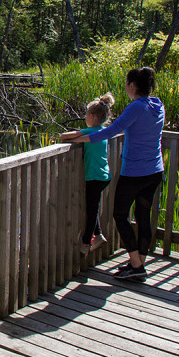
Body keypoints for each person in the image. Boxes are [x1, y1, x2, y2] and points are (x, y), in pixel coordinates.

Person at [70, 67, 165, 282]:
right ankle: (138, 263)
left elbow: (111, 131)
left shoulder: (135, 107)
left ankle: (135, 264)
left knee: (120, 215)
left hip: (134, 173)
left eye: (126, 84)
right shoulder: (158, 106)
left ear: (133, 86)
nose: (125, 88)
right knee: (143, 216)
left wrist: (79, 137)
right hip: (154, 171)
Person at [60, 93, 115, 255]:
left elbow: (64, 137)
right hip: (104, 176)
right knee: (93, 206)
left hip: (94, 177)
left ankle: (86, 243)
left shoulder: (91, 132)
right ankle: (98, 235)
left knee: (91, 210)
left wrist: (77, 135)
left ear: (91, 116)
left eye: (85, 114)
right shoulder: (103, 131)